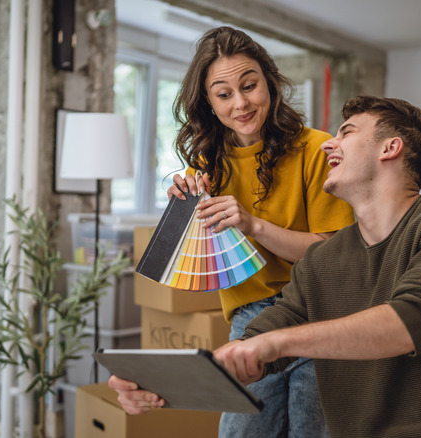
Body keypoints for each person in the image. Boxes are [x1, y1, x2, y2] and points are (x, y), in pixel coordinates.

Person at [115, 95, 421, 437]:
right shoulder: (324, 258)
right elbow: (266, 333)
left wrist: (275, 343)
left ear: (390, 148)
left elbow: (416, 318)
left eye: (347, 132)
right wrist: (160, 383)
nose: (328, 145)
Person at [111, 26, 354, 437]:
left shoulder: (318, 149)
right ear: (208, 101)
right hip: (251, 319)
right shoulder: (206, 167)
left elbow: (333, 257)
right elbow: (202, 269)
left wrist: (252, 224)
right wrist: (186, 219)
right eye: (224, 94)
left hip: (320, 314)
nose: (240, 103)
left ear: (270, 84)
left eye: (249, 85)